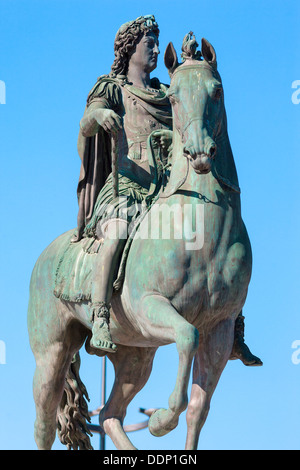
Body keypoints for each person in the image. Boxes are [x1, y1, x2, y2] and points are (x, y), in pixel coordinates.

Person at [73, 15, 262, 366]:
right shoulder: (112, 89)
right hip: (126, 189)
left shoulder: (166, 92)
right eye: (150, 43)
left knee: (219, 235)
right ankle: (100, 314)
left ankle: (232, 325)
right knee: (116, 233)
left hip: (165, 188)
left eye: (158, 43)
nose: (157, 49)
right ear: (131, 48)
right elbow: (87, 122)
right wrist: (98, 118)